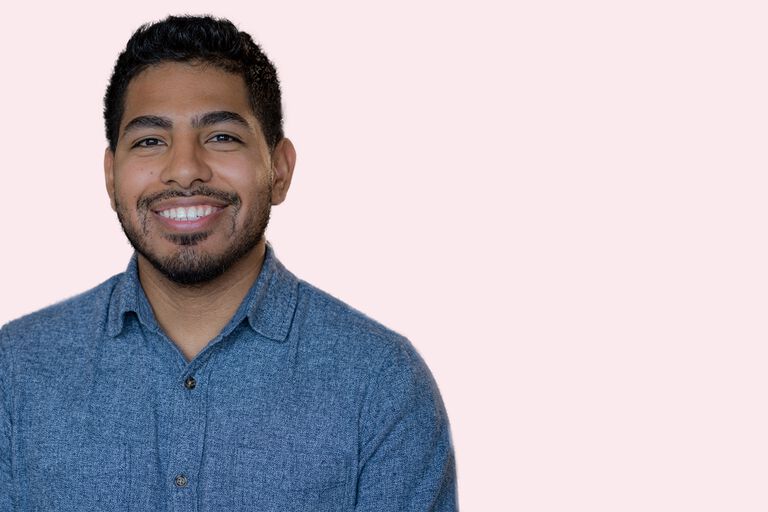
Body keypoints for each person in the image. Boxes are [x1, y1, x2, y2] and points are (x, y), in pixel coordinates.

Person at [0, 15, 456, 511]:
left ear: (279, 170)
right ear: (111, 177)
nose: (185, 170)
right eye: (150, 140)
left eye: (221, 137)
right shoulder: (17, 372)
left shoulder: (381, 383)